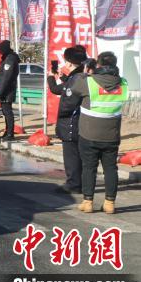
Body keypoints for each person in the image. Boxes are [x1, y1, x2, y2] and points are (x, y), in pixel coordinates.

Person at [71, 52, 128, 214]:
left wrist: (85, 71)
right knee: (111, 168)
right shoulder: (123, 83)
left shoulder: (88, 82)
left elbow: (74, 87)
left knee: (89, 168)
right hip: (111, 135)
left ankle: (88, 202)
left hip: (89, 134)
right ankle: (110, 203)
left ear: (99, 65)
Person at [47, 46, 87, 194]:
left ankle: (74, 184)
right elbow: (63, 88)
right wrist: (59, 78)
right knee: (79, 155)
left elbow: (67, 103)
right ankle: (80, 182)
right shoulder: (82, 77)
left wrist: (60, 118)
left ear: (70, 63)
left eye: (65, 62)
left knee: (71, 156)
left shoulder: (75, 80)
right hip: (83, 123)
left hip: (72, 123)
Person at [0, 40, 20, 144]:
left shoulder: (10, 59)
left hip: (7, 90)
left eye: (0, 48)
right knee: (6, 112)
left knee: (8, 112)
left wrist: (0, 91)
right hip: (5, 89)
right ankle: (7, 131)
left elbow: (6, 77)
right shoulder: (7, 58)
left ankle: (10, 134)